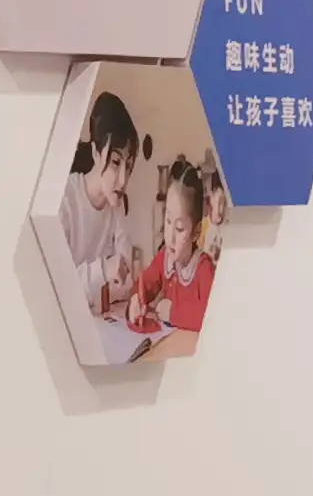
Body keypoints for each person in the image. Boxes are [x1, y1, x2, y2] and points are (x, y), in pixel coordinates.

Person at [59, 86, 145, 323]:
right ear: (96, 153)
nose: (123, 180)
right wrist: (103, 270)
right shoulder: (64, 200)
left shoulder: (115, 207)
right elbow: (55, 290)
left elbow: (126, 277)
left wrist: (133, 289)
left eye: (128, 165)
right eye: (116, 162)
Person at [128, 158, 216, 351]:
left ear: (196, 232)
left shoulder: (203, 268)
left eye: (179, 228)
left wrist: (173, 312)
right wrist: (136, 299)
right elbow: (145, 283)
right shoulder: (165, 258)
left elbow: (212, 316)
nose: (170, 236)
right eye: (168, 221)